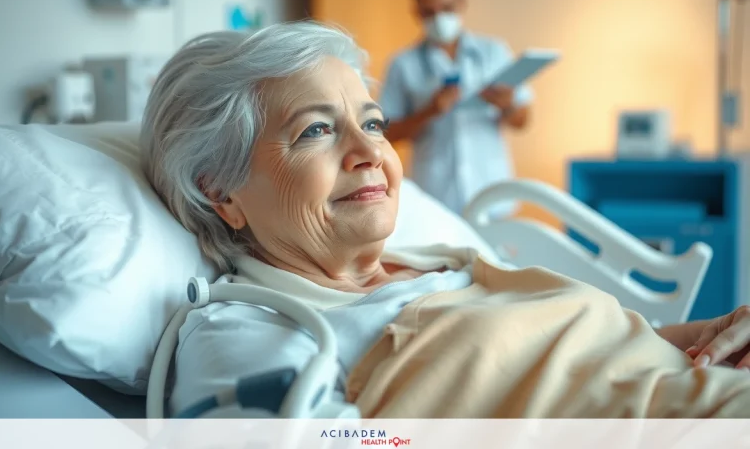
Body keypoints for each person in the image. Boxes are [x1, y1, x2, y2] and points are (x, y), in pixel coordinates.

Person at [140, 21, 750, 419]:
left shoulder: (446, 261)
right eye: (317, 130)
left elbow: (594, 364)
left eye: (373, 123)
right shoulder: (244, 331)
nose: (371, 152)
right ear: (221, 191)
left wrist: (717, 333)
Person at [380, 0, 533, 216]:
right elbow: (387, 134)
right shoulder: (402, 64)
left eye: (447, 7)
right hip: (435, 197)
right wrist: (429, 112)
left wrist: (507, 105)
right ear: (417, 13)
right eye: (429, 12)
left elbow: (523, 120)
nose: (439, 18)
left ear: (462, 3)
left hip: (491, 191)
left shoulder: (494, 52)